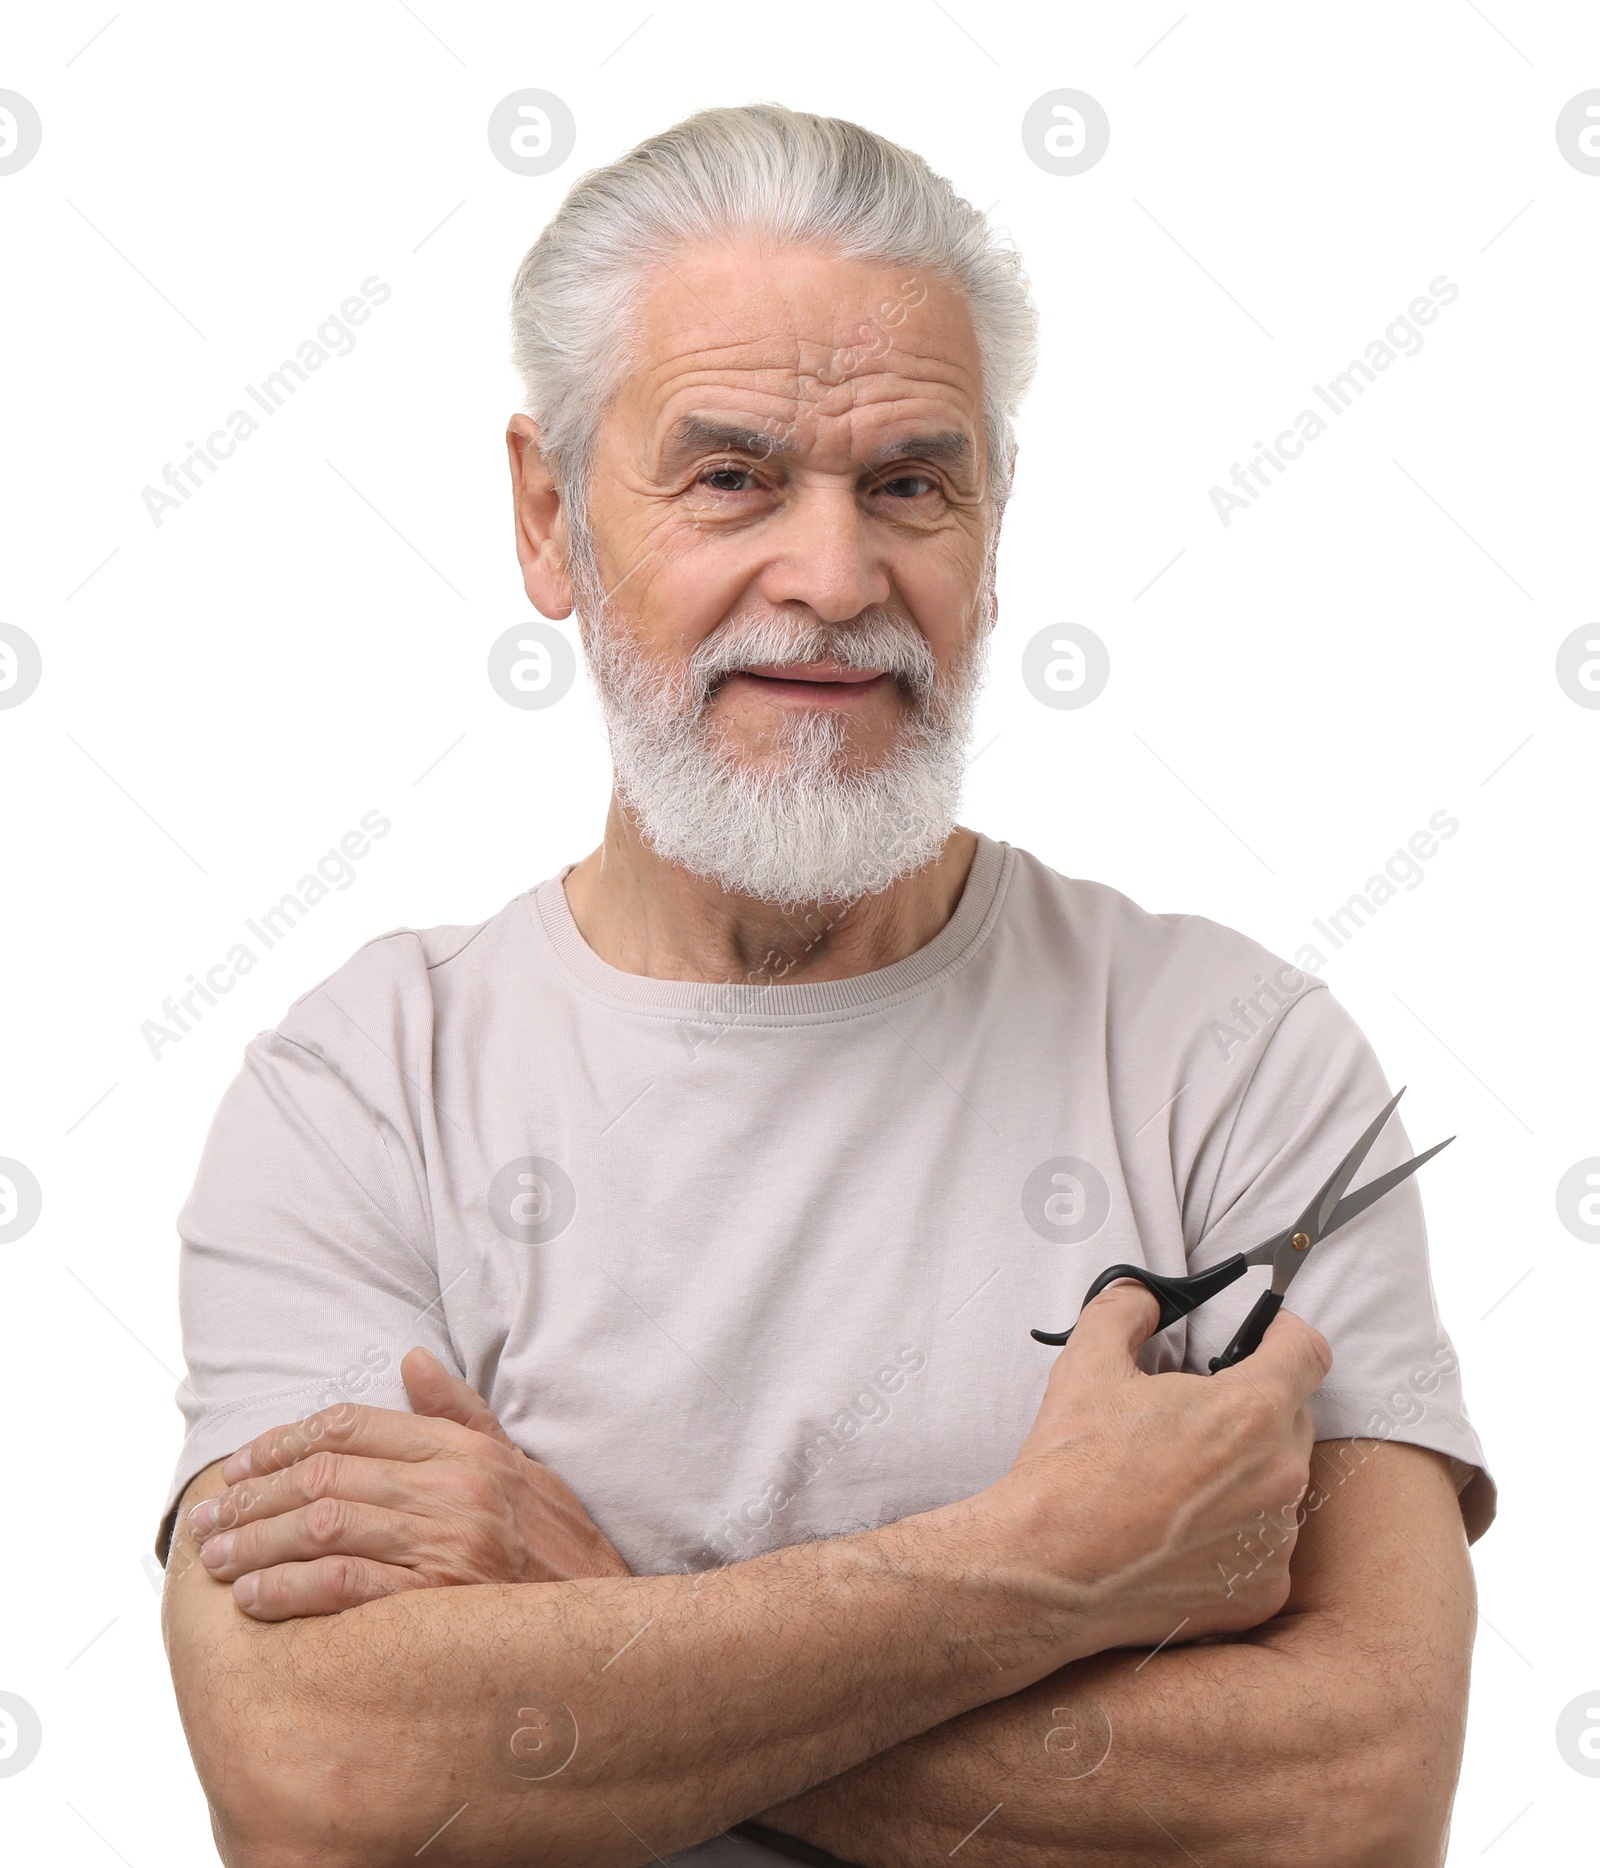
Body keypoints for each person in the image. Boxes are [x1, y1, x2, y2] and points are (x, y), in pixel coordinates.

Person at [160, 104, 1492, 1868]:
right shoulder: (359, 1093)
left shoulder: (1235, 1064)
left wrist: (584, 1616)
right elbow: (327, 1779)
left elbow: (1354, 1793)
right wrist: (1057, 1564)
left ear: (995, 529)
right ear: (551, 518)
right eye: (731, 476)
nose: (836, 578)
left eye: (911, 485)